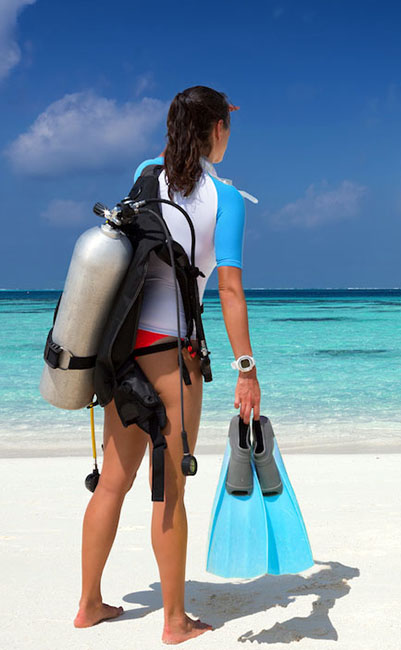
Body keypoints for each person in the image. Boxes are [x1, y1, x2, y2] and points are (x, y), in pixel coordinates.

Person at [72, 86, 261, 645]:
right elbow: (228, 288)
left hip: (124, 350)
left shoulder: (145, 173)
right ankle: (175, 621)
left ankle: (88, 605)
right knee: (170, 489)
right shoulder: (225, 200)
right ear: (217, 131)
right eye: (228, 125)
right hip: (174, 356)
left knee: (113, 481)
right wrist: (245, 368)